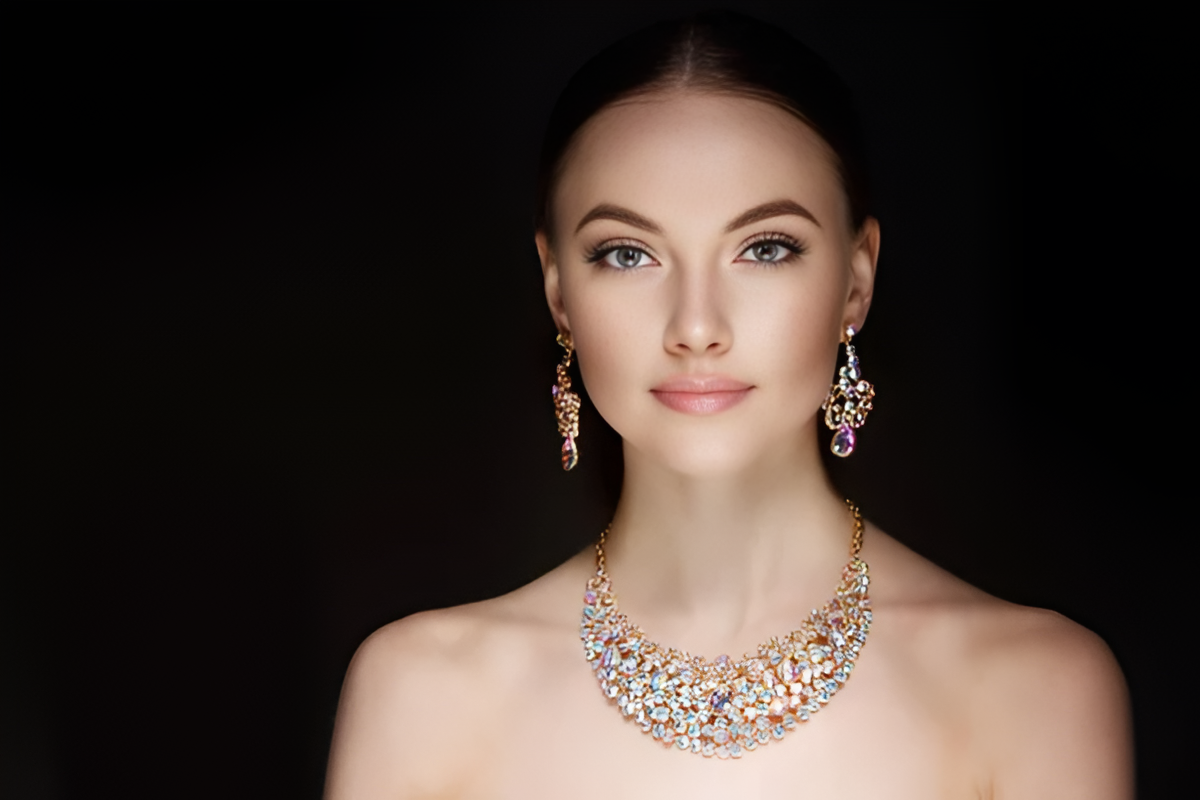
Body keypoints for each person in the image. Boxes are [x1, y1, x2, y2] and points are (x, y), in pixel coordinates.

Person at [324, 11, 1132, 798]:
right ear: (557, 290)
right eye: (628, 253)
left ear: (857, 281)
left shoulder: (1034, 689)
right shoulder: (422, 694)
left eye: (765, 248)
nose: (697, 327)